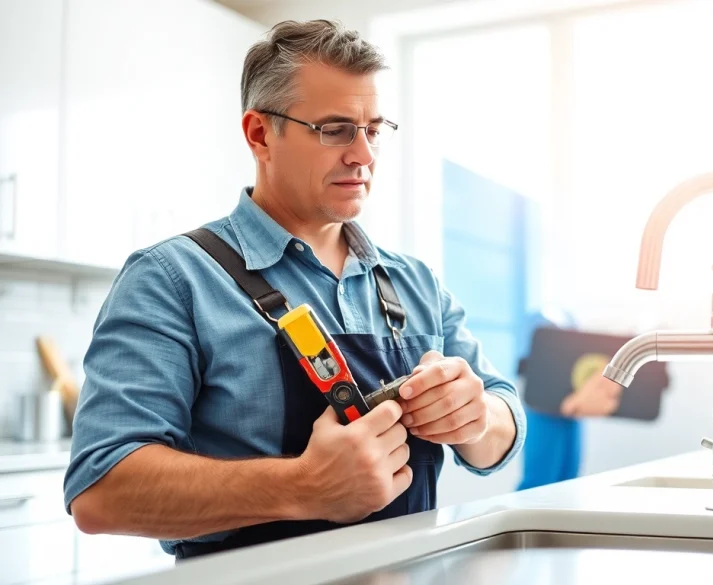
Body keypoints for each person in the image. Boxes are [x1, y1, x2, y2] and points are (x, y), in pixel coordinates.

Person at [62, 20, 525, 560]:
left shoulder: (415, 281)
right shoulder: (171, 279)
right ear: (260, 134)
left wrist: (475, 418)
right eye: (334, 130)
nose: (364, 155)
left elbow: (503, 426)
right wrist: (303, 486)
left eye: (373, 130)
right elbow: (100, 493)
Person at [514, 310, 623, 490]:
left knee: (568, 481)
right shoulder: (538, 319)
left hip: (571, 406)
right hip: (541, 407)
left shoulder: (569, 319)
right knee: (539, 482)